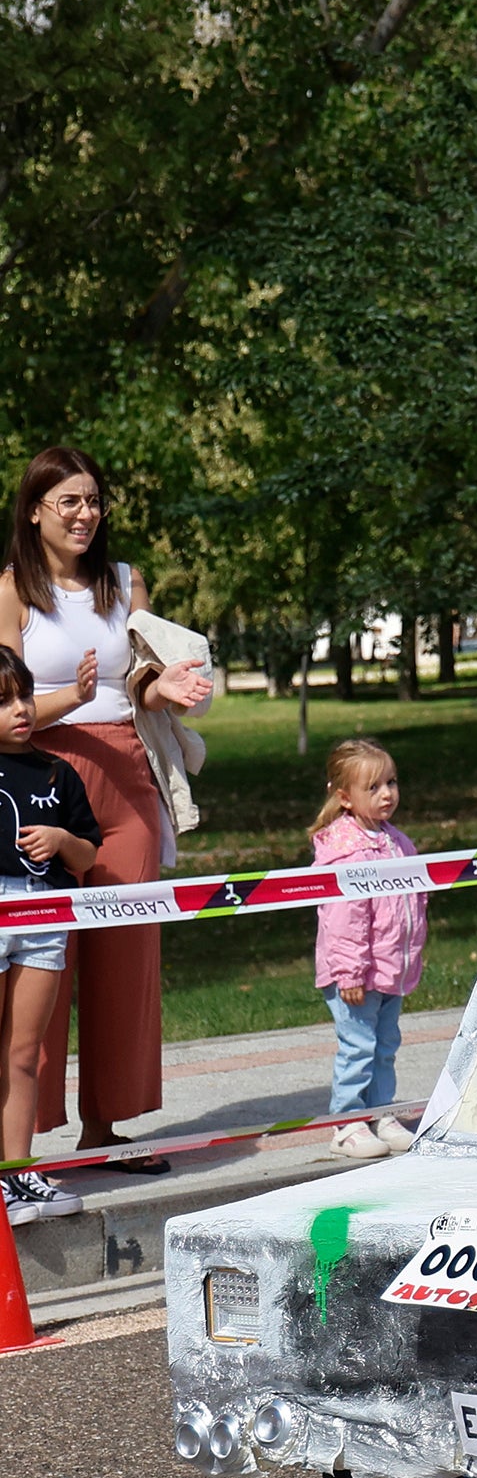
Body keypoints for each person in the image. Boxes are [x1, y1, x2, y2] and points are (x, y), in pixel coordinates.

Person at [0, 448, 211, 1167]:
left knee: (126, 957)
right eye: (70, 501)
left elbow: (143, 679)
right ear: (34, 510)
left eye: (95, 500)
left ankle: (107, 1127)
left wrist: (167, 688)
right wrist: (73, 696)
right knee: (42, 961)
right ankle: (20, 1144)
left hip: (126, 778)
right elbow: (5, 700)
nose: (87, 513)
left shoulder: (125, 582)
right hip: (42, 778)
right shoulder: (12, 590)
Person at [0, 647, 99, 1225]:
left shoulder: (59, 772)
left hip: (44, 915)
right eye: (3, 700)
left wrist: (61, 841)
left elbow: (87, 854)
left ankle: (19, 1173)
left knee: (21, 1051)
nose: (20, 709)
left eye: (24, 696)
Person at [312, 738, 425, 1160]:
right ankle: (345, 1122)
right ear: (344, 797)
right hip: (356, 974)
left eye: (391, 783)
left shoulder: (396, 841)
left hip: (390, 969)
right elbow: (344, 920)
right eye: (373, 787)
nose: (387, 794)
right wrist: (349, 973)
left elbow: (412, 906)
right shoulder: (347, 850)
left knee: (385, 1045)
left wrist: (410, 956)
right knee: (357, 1046)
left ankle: (381, 1113)